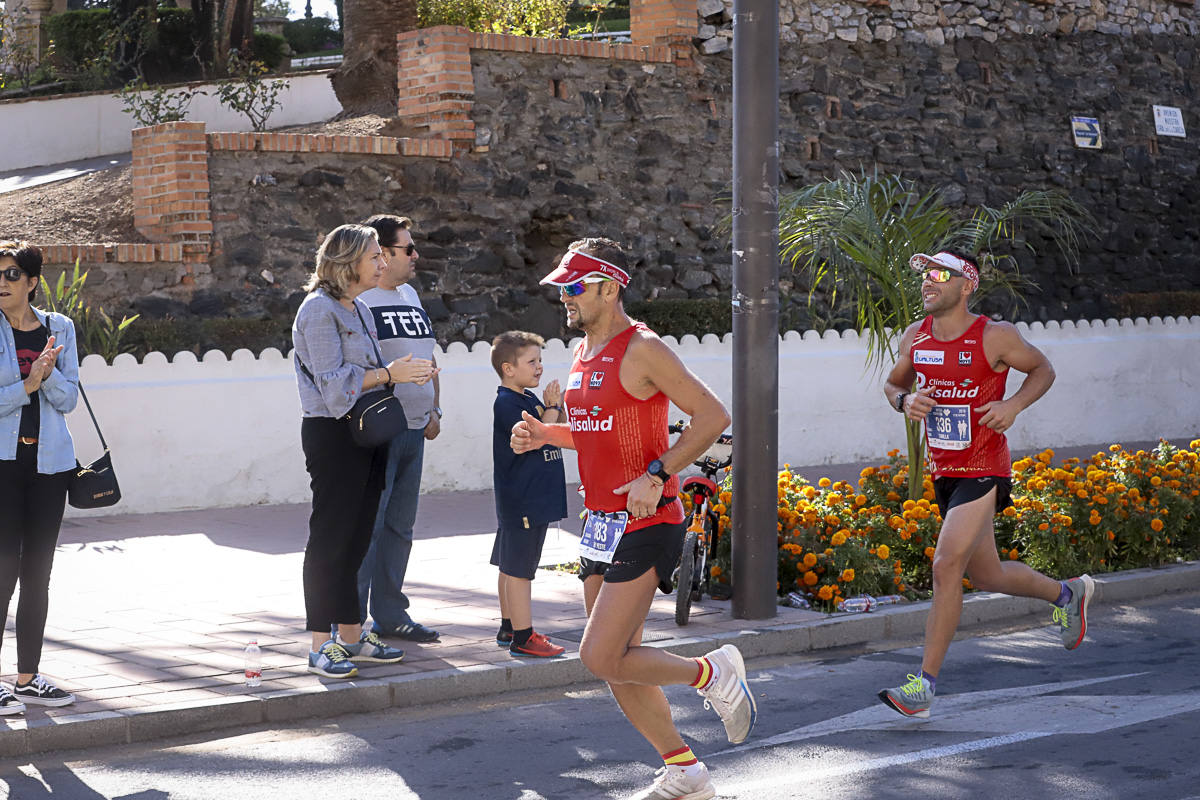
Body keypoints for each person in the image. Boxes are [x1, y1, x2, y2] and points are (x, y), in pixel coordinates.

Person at [512, 238, 755, 800]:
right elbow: (596, 433)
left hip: (647, 522)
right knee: (619, 666)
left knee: (598, 655)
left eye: (575, 288)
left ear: (610, 288)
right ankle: (685, 771)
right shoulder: (581, 353)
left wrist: (657, 472)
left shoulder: (641, 347)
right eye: (562, 289)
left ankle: (712, 672)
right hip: (600, 523)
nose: (565, 298)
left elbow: (713, 414)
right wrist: (546, 433)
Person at [878, 249, 1094, 718]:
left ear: (966, 284)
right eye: (924, 275)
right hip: (945, 472)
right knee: (987, 575)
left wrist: (1014, 405)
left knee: (945, 564)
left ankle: (924, 687)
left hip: (984, 466)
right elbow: (894, 384)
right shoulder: (916, 338)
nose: (928, 282)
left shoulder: (995, 337)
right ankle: (1067, 593)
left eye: (940, 274)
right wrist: (905, 401)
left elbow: (1043, 369)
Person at [291, 224, 434, 678]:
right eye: (374, 256)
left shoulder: (357, 308)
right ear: (348, 262)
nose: (382, 263)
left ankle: (351, 636)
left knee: (358, 536)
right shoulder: (318, 311)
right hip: (333, 434)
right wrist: (389, 374)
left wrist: (392, 375)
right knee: (330, 539)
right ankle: (319, 645)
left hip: (369, 432)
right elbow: (334, 388)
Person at [0, 241, 80, 714]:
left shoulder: (61, 328)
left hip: (49, 468)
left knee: (38, 575)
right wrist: (29, 384)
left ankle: (28, 678)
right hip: (3, 469)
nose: (2, 283)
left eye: (11, 275)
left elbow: (69, 399)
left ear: (32, 282)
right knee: (1, 573)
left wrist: (47, 375)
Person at [355, 214, 442, 644]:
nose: (415, 255)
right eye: (408, 248)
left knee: (400, 527)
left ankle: (390, 614)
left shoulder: (409, 294)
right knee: (367, 524)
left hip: (414, 428)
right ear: (382, 254)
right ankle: (351, 622)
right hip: (380, 430)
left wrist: (436, 410)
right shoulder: (360, 301)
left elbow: (426, 354)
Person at [489, 331, 567, 658]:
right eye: (532, 362)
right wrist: (551, 407)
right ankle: (523, 636)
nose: (539, 368)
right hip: (524, 497)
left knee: (510, 564)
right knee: (520, 568)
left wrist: (554, 407)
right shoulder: (508, 402)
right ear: (509, 368)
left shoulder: (526, 399)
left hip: (527, 496)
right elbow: (539, 433)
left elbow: (556, 426)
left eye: (540, 361)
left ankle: (509, 627)